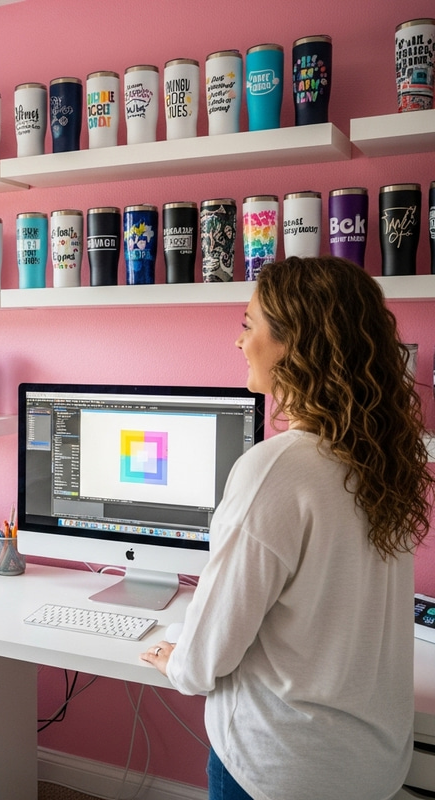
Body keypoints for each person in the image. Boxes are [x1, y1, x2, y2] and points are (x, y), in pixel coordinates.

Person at [140, 256, 433, 800]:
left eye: (248, 325)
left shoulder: (276, 468)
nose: (238, 342)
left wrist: (177, 659)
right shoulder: (379, 459)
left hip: (280, 768)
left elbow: (208, 658)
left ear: (293, 345)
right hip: (370, 765)